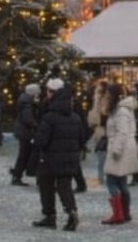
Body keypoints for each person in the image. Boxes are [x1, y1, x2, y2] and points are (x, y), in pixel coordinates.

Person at [33, 78, 86, 231]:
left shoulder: (49, 118)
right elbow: (82, 138)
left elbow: (41, 140)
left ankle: (50, 215)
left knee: (46, 186)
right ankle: (71, 211)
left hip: (49, 159)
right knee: (65, 187)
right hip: (69, 158)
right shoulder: (75, 118)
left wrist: (36, 141)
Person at [101, 82, 138, 225]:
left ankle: (118, 214)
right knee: (121, 181)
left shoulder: (121, 110)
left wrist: (116, 150)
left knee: (111, 180)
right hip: (124, 147)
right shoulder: (121, 109)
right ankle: (124, 212)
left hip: (120, 148)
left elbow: (122, 132)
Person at [10, 82, 41, 186]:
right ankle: (17, 175)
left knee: (23, 154)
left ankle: (17, 174)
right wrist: (36, 125)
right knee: (24, 155)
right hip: (26, 133)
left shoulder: (25, 101)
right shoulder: (27, 104)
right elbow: (28, 119)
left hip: (23, 132)